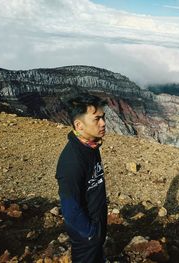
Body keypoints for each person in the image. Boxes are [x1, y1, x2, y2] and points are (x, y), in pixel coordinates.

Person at [56, 93, 108, 263]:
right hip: (87, 235)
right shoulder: (72, 160)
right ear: (79, 125)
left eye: (103, 117)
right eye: (97, 119)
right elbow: (70, 208)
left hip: (96, 227)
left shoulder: (90, 146)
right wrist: (91, 234)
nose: (103, 123)